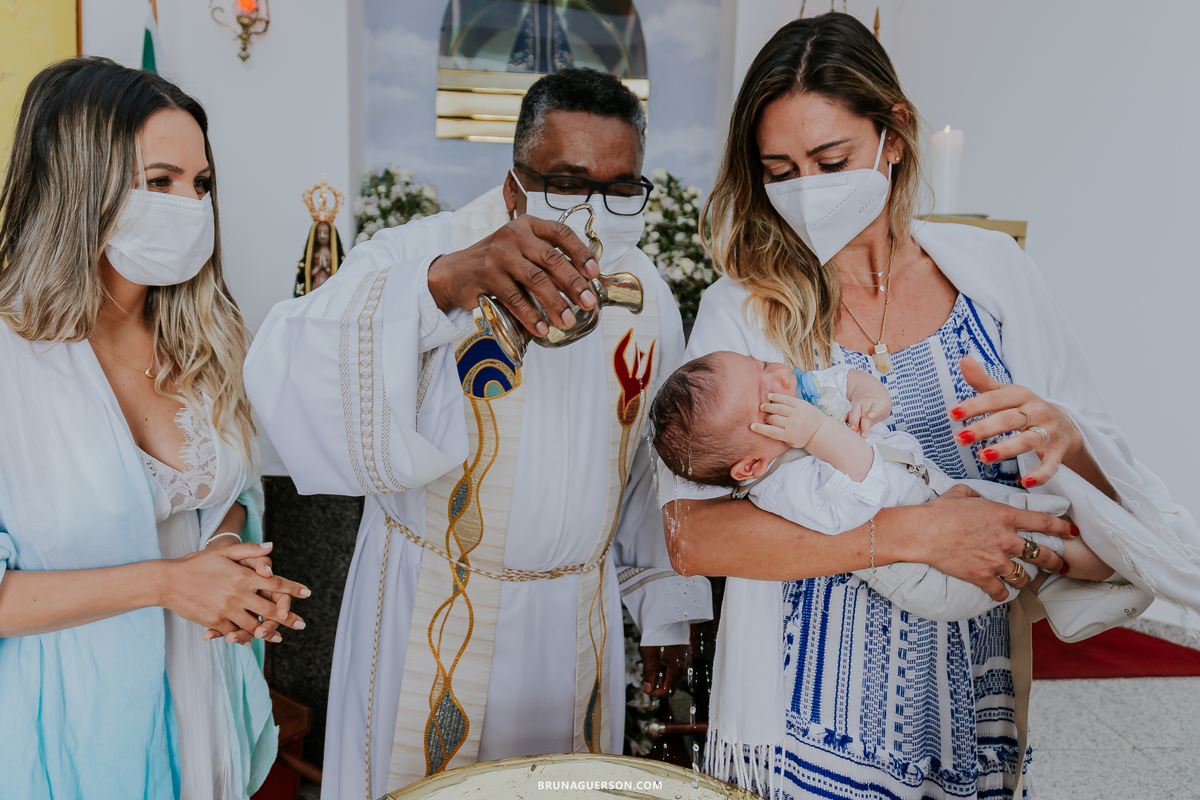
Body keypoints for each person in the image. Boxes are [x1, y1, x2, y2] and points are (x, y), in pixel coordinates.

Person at [658, 13, 1200, 799]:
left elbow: (1108, 489)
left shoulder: (996, 273)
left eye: (831, 159)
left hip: (973, 708)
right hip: (811, 720)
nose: (806, 191)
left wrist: (1069, 438)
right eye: (779, 169)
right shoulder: (743, 308)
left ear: (895, 135)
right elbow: (691, 535)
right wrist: (910, 533)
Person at [243, 67, 711, 798]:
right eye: (567, 180)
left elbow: (654, 462)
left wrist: (664, 605)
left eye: (622, 189)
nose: (595, 209)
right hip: (429, 607)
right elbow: (285, 357)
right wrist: (437, 287)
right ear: (514, 177)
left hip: (570, 624)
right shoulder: (423, 253)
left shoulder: (645, 294)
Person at [0, 58, 310, 799]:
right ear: (79, 182)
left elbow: (221, 497)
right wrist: (170, 584)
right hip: (68, 718)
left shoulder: (203, 337)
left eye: (201, 185)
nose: (191, 205)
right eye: (161, 181)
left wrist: (229, 558)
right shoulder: (11, 360)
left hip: (204, 695)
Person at [650, 353, 1150, 635]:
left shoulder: (798, 406)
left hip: (933, 494)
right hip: (928, 577)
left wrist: (869, 396)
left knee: (1029, 515)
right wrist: (818, 433)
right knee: (1034, 538)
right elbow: (862, 494)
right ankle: (1113, 572)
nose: (781, 375)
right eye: (767, 394)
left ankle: (1083, 582)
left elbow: (844, 378)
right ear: (752, 465)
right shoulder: (784, 486)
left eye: (762, 365)